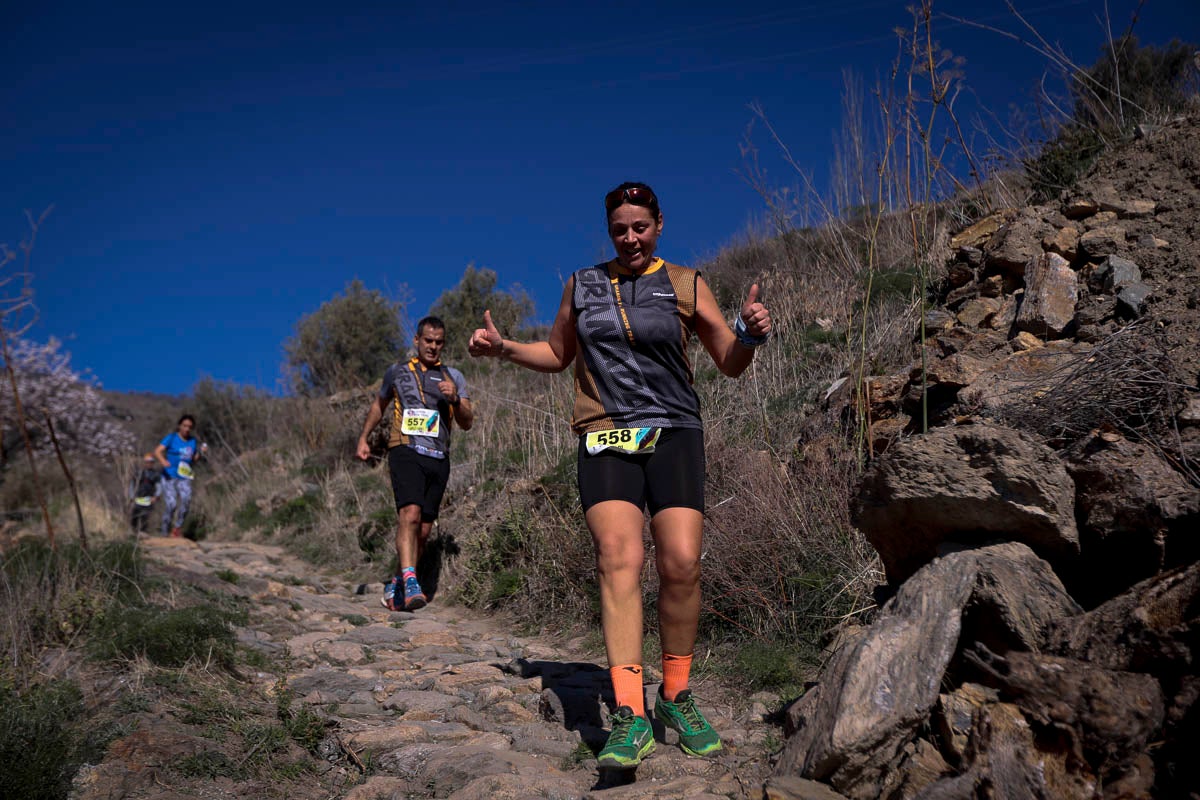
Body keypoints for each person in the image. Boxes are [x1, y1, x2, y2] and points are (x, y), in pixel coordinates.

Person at [468, 181, 771, 770]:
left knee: (682, 563)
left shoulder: (687, 283)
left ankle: (677, 696)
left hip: (675, 431)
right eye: (619, 230)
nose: (630, 238)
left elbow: (730, 362)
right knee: (618, 558)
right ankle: (630, 715)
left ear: (659, 224)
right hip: (604, 432)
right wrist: (504, 348)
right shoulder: (582, 284)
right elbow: (558, 354)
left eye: (640, 227)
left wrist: (752, 333)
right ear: (609, 232)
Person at [356, 316, 475, 612]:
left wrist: (456, 399)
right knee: (408, 513)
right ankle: (411, 582)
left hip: (438, 457)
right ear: (417, 341)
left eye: (439, 342)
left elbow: (468, 421)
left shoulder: (453, 376)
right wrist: (363, 437)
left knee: (422, 531)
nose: (433, 347)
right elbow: (378, 405)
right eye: (428, 341)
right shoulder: (396, 372)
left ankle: (397, 582)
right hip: (405, 449)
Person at [154, 414, 207, 537]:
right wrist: (163, 461)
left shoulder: (192, 441)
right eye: (184, 426)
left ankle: (177, 527)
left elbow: (193, 459)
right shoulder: (171, 438)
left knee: (186, 500)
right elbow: (157, 451)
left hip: (184, 476)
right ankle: (165, 529)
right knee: (171, 504)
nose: (187, 429)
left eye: (190, 427)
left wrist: (201, 453)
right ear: (179, 426)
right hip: (169, 476)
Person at [129, 453, 162, 534]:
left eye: (150, 462)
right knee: (135, 516)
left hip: (149, 498)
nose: (148, 464)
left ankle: (143, 533)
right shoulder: (138, 473)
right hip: (137, 498)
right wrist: (131, 496)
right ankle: (133, 532)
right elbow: (132, 485)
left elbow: (159, 486)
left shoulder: (156, 474)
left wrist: (156, 496)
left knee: (145, 517)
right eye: (147, 462)